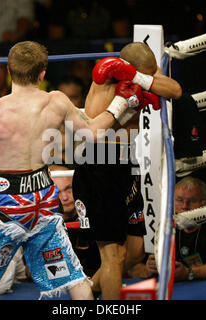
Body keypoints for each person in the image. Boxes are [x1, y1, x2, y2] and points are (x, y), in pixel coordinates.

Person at [0, 41, 149, 300]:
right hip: (44, 198)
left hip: (8, 202)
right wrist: (122, 102)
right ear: (43, 73)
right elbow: (93, 133)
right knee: (72, 276)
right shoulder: (56, 101)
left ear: (9, 71)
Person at [72, 42, 183, 300]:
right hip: (99, 164)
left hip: (125, 165)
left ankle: (87, 291)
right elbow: (95, 124)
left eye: (150, 74)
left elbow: (175, 90)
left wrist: (138, 78)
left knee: (133, 251)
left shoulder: (139, 74)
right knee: (113, 254)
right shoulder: (105, 80)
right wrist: (124, 99)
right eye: (143, 74)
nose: (149, 79)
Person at [49, 164, 101, 277]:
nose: (64, 197)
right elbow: (31, 273)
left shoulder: (97, 216)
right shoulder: (41, 225)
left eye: (68, 189)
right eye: (57, 192)